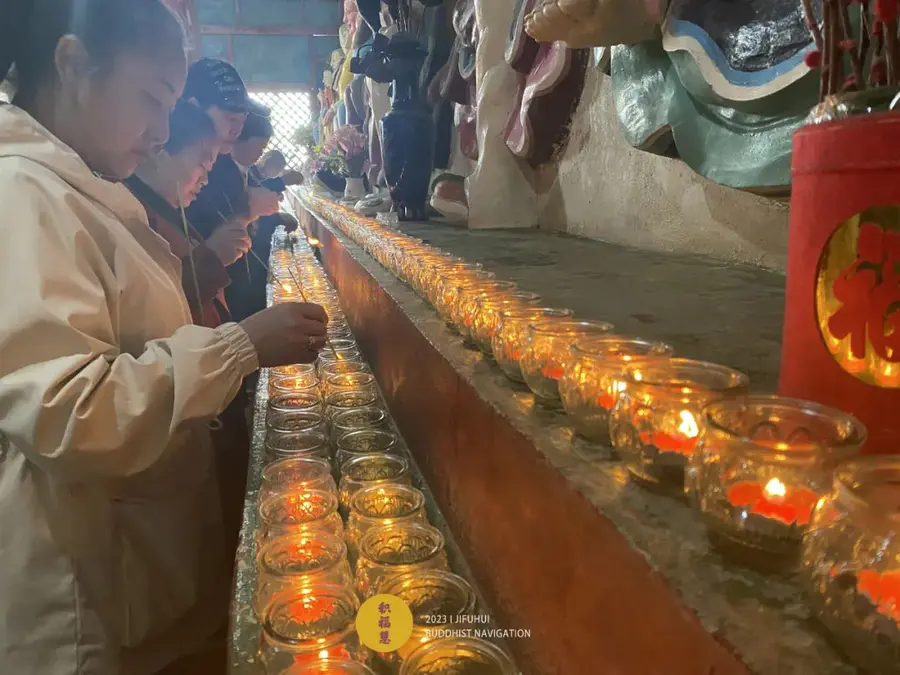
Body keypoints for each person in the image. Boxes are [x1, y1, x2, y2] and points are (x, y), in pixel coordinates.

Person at [0, 2, 329, 674]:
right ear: (72, 64)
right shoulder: (22, 193)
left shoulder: (79, 186)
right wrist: (237, 348)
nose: (158, 133)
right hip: (86, 597)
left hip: (139, 565)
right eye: (151, 100)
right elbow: (70, 410)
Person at [125, 99, 249, 328]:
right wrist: (212, 257)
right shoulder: (132, 215)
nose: (205, 180)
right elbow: (153, 308)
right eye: (202, 165)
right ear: (159, 152)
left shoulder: (168, 211)